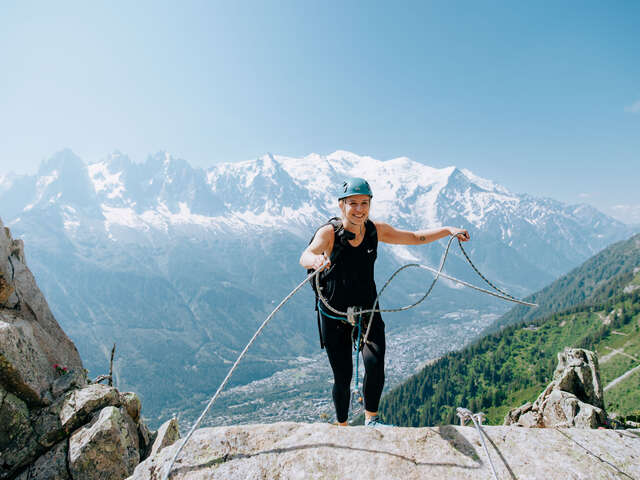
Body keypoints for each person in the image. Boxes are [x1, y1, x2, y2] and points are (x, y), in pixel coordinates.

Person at [299, 177, 470, 427]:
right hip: (334, 313)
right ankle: (343, 425)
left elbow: (413, 237)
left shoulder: (374, 230)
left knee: (375, 362)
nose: (359, 209)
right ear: (341, 206)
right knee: (343, 375)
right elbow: (307, 253)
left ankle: (372, 419)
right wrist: (314, 261)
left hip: (367, 308)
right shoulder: (329, 234)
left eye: (364, 203)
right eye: (353, 203)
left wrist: (447, 231)